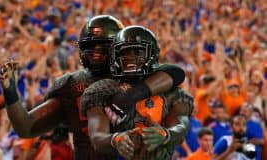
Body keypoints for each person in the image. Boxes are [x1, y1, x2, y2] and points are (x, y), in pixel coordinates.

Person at [0, 15, 186, 160]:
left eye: (102, 47)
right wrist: (10, 93)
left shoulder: (135, 73)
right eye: (90, 46)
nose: (96, 53)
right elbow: (27, 128)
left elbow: (175, 72)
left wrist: (133, 94)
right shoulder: (70, 85)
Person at [81, 25, 194, 160]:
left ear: (151, 55)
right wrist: (115, 139)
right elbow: (97, 137)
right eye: (125, 52)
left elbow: (181, 126)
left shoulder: (171, 91)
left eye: (137, 52)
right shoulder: (103, 90)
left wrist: (166, 135)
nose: (130, 57)